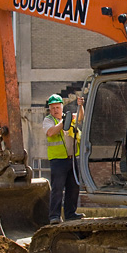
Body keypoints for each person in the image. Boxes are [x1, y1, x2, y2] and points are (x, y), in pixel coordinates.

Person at [42, 94, 85, 224]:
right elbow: (50, 132)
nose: (56, 110)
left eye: (58, 107)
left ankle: (70, 214)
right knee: (57, 188)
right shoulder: (48, 120)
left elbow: (80, 117)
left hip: (71, 159)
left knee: (73, 187)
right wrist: (64, 122)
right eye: (53, 108)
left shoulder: (68, 117)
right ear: (50, 109)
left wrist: (80, 106)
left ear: (62, 107)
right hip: (58, 160)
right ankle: (54, 216)